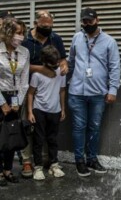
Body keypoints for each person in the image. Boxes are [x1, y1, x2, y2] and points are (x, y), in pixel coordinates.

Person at [68, 7, 121, 177]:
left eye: (90, 21)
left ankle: (91, 158)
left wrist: (113, 90)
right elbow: (70, 62)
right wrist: (63, 83)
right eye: (84, 21)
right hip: (76, 92)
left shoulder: (109, 41)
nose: (87, 24)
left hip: (98, 93)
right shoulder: (76, 38)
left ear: (97, 20)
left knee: (94, 127)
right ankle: (79, 161)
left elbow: (114, 67)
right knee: (79, 127)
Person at [21, 10, 68, 178]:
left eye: (50, 26)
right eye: (43, 26)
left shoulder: (56, 38)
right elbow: (21, 66)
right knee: (30, 129)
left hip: (53, 100)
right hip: (29, 88)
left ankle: (50, 161)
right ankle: (29, 162)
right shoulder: (26, 40)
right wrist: (41, 69)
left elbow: (62, 59)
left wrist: (63, 66)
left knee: (51, 135)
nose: (47, 29)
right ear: (36, 24)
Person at [27, 45, 66, 180]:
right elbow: (31, 93)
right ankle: (37, 167)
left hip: (55, 110)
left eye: (57, 63)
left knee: (52, 139)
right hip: (39, 110)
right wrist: (30, 112)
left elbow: (62, 91)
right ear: (44, 62)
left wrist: (63, 109)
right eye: (52, 64)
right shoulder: (37, 75)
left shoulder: (61, 73)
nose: (55, 66)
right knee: (38, 139)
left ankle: (53, 164)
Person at [0, 18, 29, 186]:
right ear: (8, 33)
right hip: (0, 96)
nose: (21, 36)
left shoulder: (24, 52)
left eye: (22, 33)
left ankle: (8, 169)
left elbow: (24, 80)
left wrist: (18, 101)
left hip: (16, 97)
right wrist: (2, 103)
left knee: (11, 135)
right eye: (18, 33)